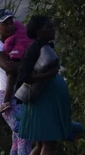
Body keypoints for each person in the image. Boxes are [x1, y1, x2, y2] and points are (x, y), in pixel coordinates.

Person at [16, 15, 72, 155]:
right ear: (38, 31)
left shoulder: (47, 46)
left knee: (41, 143)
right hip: (42, 102)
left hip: (47, 101)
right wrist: (47, 76)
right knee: (49, 143)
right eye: (49, 27)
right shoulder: (33, 49)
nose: (53, 30)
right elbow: (24, 77)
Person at [0, 8, 32, 155]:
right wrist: (28, 63)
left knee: (17, 137)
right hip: (6, 98)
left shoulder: (17, 42)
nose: (9, 26)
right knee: (23, 130)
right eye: (4, 24)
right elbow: (9, 67)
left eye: (10, 22)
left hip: (21, 93)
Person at [0, 19, 32, 115]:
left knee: (10, 75)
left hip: (16, 55)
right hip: (26, 56)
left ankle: (6, 102)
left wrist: (6, 51)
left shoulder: (14, 36)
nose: (10, 27)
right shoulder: (27, 34)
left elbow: (7, 45)